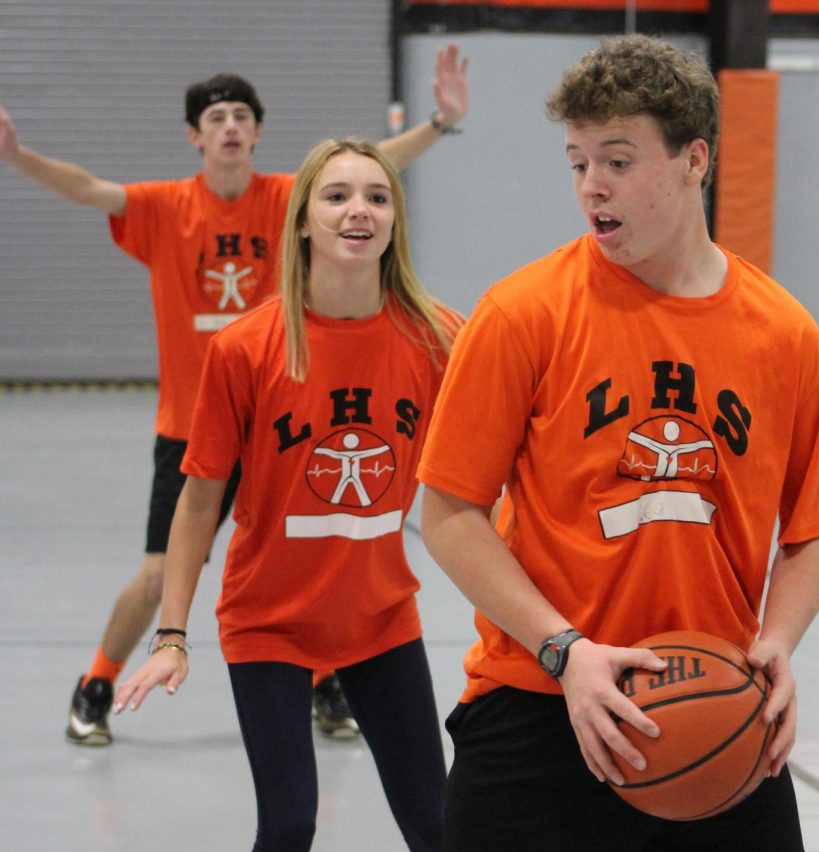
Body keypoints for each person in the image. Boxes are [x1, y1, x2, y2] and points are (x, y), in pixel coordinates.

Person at [417, 34, 819, 852]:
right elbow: (448, 513)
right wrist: (563, 650)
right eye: (578, 161)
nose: (591, 186)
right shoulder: (523, 314)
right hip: (545, 704)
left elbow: (816, 530)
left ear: (695, 160)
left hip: (715, 706)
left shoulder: (787, 337)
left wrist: (774, 643)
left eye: (616, 160)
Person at [0, 42, 468, 746]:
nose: (228, 127)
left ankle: (324, 682)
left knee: (313, 550)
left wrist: (439, 122)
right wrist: (18, 157)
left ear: (255, 131)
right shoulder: (163, 208)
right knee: (161, 572)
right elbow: (86, 187)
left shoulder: (288, 198)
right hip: (193, 426)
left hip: (287, 421)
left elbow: (378, 169)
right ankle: (96, 682)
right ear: (195, 134)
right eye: (215, 117)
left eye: (241, 116)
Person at [112, 136, 461, 852]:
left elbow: (477, 489)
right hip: (269, 619)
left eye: (376, 195)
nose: (358, 210)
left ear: (395, 219)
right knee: (292, 824)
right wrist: (172, 635)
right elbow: (199, 498)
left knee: (438, 826)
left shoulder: (438, 339)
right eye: (336, 196)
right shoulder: (248, 348)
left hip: (379, 617)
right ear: (302, 221)